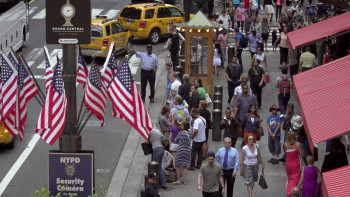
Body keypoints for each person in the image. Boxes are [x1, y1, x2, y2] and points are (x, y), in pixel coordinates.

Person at [284, 131, 305, 197]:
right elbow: (302, 154)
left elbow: (285, 152)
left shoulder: (285, 144)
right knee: (296, 179)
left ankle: (289, 193)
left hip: (288, 164)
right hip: (296, 164)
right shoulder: (298, 144)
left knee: (290, 179)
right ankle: (293, 193)